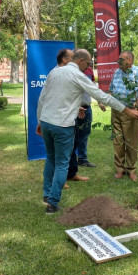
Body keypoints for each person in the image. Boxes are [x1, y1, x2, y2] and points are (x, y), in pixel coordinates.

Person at [37, 49, 138, 213]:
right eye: (89, 63)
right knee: (62, 163)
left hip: (46, 121)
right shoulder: (78, 75)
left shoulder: (54, 72)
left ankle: (46, 194)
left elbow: (43, 98)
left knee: (51, 159)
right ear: (81, 61)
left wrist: (39, 121)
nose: (89, 66)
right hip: (62, 125)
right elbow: (102, 96)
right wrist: (127, 110)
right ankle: (52, 203)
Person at [109, 51, 138, 182]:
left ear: (129, 61)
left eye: (121, 60)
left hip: (131, 112)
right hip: (116, 111)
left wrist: (136, 103)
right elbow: (111, 89)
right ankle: (120, 169)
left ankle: (131, 169)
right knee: (118, 140)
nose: (118, 62)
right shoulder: (116, 73)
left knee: (131, 141)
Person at [54, 48, 89, 186]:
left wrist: (76, 107)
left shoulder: (72, 72)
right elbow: (56, 98)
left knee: (73, 144)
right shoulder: (56, 73)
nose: (74, 59)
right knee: (61, 151)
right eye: (71, 56)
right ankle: (60, 180)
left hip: (70, 116)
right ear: (64, 59)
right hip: (59, 119)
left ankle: (71, 174)